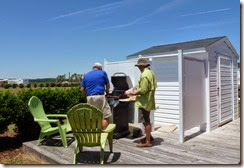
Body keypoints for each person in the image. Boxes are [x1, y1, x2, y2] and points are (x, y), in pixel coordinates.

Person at [125, 58, 157, 147]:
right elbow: (148, 86)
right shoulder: (151, 73)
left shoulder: (144, 75)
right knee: (146, 119)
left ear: (142, 66)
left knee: (146, 121)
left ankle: (147, 142)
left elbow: (143, 90)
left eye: (139, 66)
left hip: (144, 101)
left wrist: (132, 93)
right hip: (149, 100)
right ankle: (149, 136)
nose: (138, 68)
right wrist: (137, 88)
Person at [80, 62, 112, 130]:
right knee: (104, 116)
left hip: (89, 97)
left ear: (93, 68)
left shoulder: (86, 75)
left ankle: (94, 134)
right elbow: (108, 85)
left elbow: (82, 89)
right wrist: (107, 93)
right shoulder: (102, 73)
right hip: (100, 97)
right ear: (100, 68)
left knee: (91, 116)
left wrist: (90, 93)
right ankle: (104, 134)